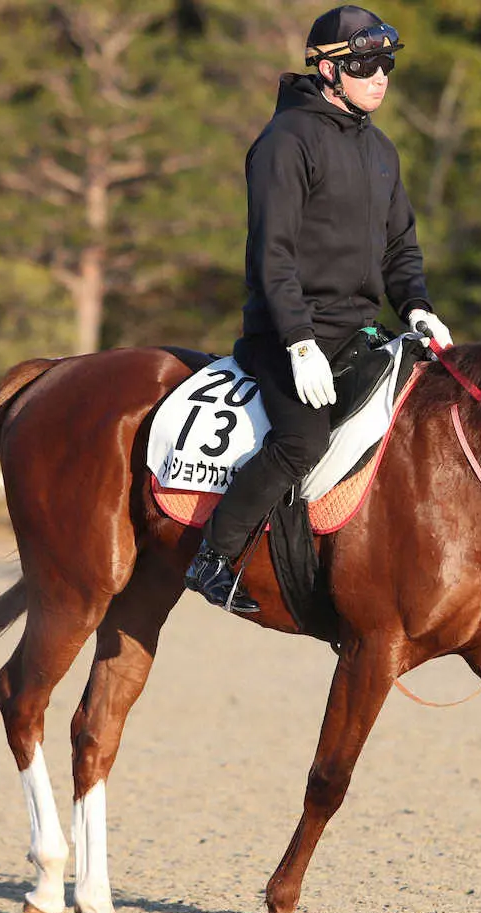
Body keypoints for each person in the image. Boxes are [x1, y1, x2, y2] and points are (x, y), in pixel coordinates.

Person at [185, 5, 452, 612]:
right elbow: (272, 257)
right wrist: (300, 342)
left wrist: (416, 306)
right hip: (287, 338)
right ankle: (214, 556)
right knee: (301, 441)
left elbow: (400, 246)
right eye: (365, 64)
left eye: (386, 63)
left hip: (359, 330)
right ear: (327, 70)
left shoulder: (382, 149)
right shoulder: (284, 142)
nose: (380, 76)